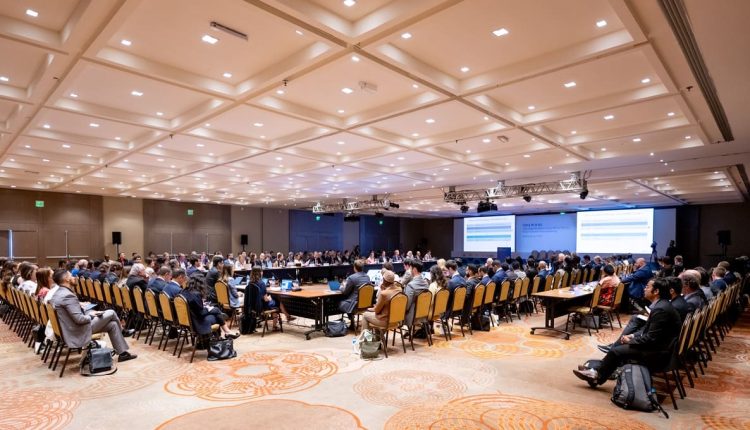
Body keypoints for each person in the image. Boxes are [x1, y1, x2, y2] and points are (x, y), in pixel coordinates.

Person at [573, 277, 681, 386]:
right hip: (659, 346)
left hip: (659, 352)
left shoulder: (661, 309)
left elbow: (651, 338)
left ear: (656, 291)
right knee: (620, 344)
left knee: (616, 351)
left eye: (647, 287)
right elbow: (649, 331)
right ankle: (596, 371)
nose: (644, 289)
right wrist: (632, 336)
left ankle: (597, 375)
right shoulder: (662, 305)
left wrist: (631, 340)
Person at [51, 269, 137, 362]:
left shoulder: (58, 293)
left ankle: (123, 353)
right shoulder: (68, 296)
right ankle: (123, 331)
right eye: (71, 276)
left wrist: (89, 312)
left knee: (112, 325)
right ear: (66, 279)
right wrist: (92, 316)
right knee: (111, 312)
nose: (74, 277)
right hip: (79, 331)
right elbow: (79, 319)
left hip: (71, 329)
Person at [338, 259, 371, 330]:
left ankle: (350, 322)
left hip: (355, 305)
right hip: (366, 304)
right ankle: (351, 322)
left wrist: (341, 287)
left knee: (340, 302)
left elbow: (345, 292)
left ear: (354, 267)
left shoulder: (352, 277)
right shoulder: (367, 277)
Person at [403, 259, 429, 328]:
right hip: (424, 314)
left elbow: (406, 306)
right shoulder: (426, 283)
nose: (409, 270)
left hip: (412, 317)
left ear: (414, 269)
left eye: (410, 268)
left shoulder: (411, 285)